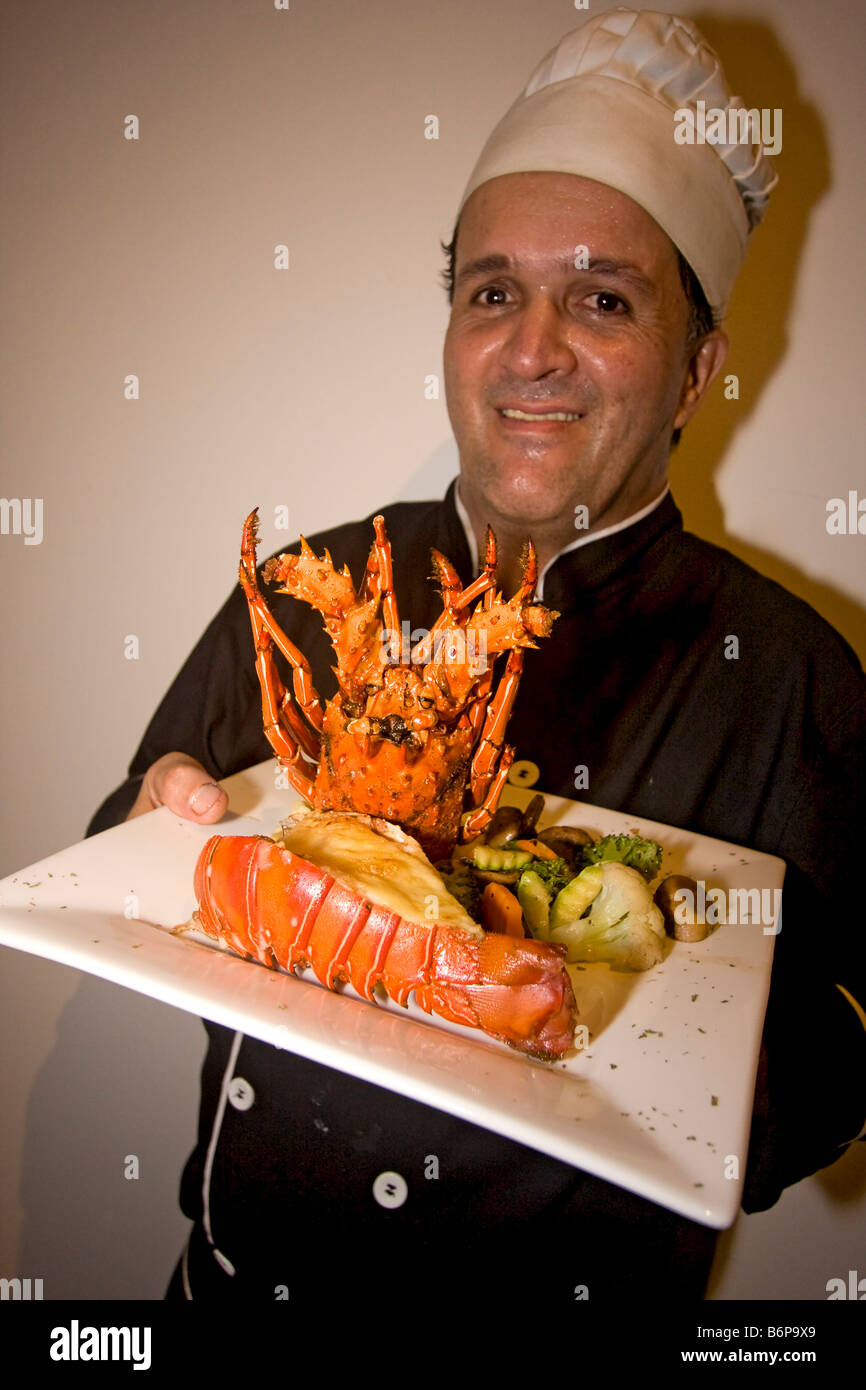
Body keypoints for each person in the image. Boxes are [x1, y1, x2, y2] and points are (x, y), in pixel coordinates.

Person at [89, 10, 865, 1303]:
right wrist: (158, 811)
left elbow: (847, 1059)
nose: (531, 348)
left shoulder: (792, 677)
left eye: (602, 299)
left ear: (695, 372)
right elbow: (123, 847)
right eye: (491, 292)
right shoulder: (300, 591)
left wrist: (711, 1037)